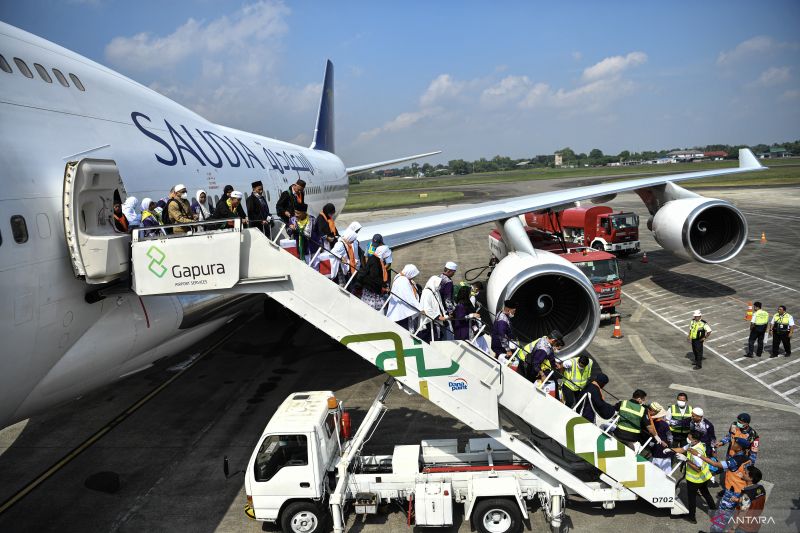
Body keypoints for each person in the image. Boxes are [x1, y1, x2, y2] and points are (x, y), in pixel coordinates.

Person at [690, 437, 752, 531]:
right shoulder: (746, 458)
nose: (732, 444)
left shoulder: (735, 460)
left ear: (739, 448)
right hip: (741, 490)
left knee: (721, 517)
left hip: (732, 492)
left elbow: (716, 465)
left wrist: (698, 454)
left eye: (735, 443)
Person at [670, 429, 717, 524]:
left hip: (695, 480)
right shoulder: (695, 444)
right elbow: (682, 449)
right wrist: (669, 449)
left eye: (689, 438)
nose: (687, 438)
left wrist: (686, 460)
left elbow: (697, 468)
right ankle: (715, 512)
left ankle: (692, 517)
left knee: (691, 498)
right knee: (706, 494)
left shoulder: (696, 451)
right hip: (703, 477)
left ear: (695, 440)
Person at [731, 466, 767, 533]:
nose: (743, 473)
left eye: (745, 473)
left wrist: (733, 528)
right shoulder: (761, 488)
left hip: (744, 527)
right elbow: (752, 502)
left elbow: (743, 513)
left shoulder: (747, 494)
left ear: (750, 478)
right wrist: (739, 500)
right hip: (755, 524)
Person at [386, 265, 422, 330]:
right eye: (413, 276)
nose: (413, 278)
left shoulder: (399, 278)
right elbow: (409, 297)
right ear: (410, 273)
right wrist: (420, 308)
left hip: (401, 312)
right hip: (401, 314)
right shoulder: (403, 280)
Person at [359, 244, 390, 310]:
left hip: (370, 287)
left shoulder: (374, 258)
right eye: (385, 254)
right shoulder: (375, 261)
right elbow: (374, 277)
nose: (386, 257)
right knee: (376, 308)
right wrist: (384, 285)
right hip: (372, 289)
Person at [418, 276, 447, 342]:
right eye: (439, 284)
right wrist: (438, 317)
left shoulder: (436, 292)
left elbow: (440, 305)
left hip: (435, 321)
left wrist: (444, 315)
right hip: (429, 321)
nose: (440, 286)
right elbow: (426, 308)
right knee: (431, 339)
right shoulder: (427, 292)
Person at [647, 402, 673, 473]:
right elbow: (670, 438)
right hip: (665, 452)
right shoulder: (664, 424)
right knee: (666, 472)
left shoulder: (649, 424)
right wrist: (669, 445)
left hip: (655, 451)